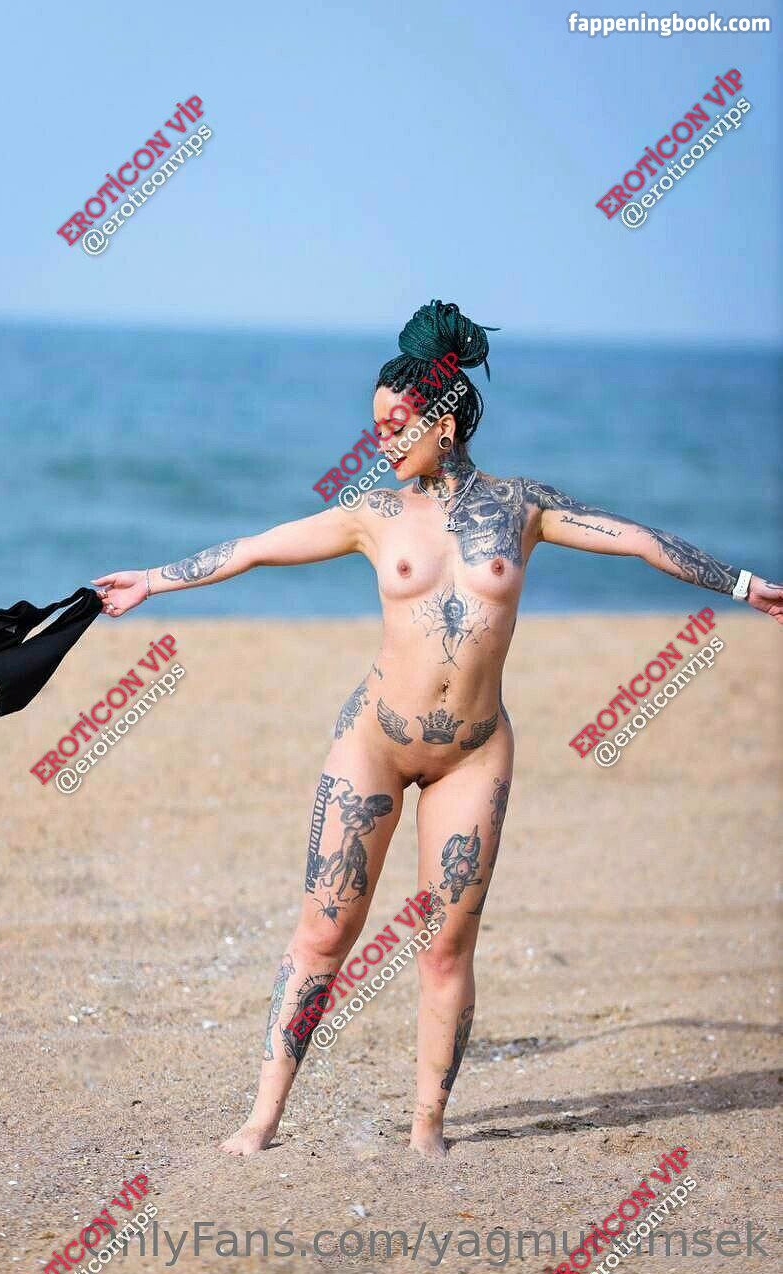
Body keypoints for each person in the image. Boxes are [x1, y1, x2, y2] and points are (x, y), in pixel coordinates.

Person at [93, 300, 782, 1158]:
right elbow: (256, 547)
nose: (380, 439)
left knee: (446, 947)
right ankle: (261, 1118)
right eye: (376, 425)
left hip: (473, 754)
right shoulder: (373, 513)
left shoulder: (523, 507)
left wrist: (743, 585)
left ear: (443, 422)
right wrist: (151, 581)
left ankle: (428, 1129)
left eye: (394, 424)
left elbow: (636, 539)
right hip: (374, 743)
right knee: (324, 935)